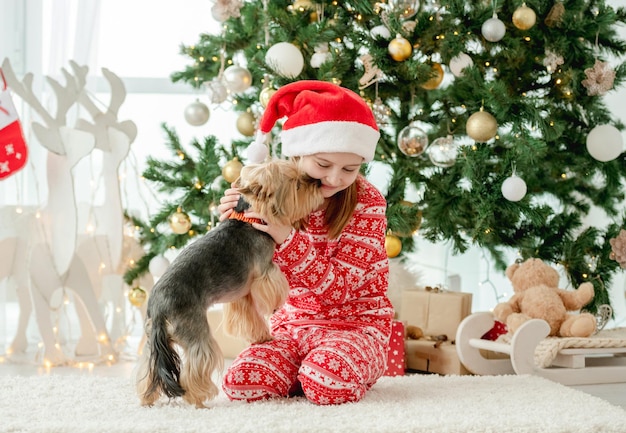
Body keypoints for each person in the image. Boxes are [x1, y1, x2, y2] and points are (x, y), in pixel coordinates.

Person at [217, 80, 393, 405]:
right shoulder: (275, 192)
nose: (336, 178)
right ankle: (303, 370)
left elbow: (337, 290)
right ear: (298, 152)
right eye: (323, 164)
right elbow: (244, 267)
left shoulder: (367, 202)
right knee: (242, 382)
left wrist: (285, 236)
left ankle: (326, 370)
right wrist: (234, 221)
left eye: (350, 168)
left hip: (354, 326)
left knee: (327, 382)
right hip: (291, 329)